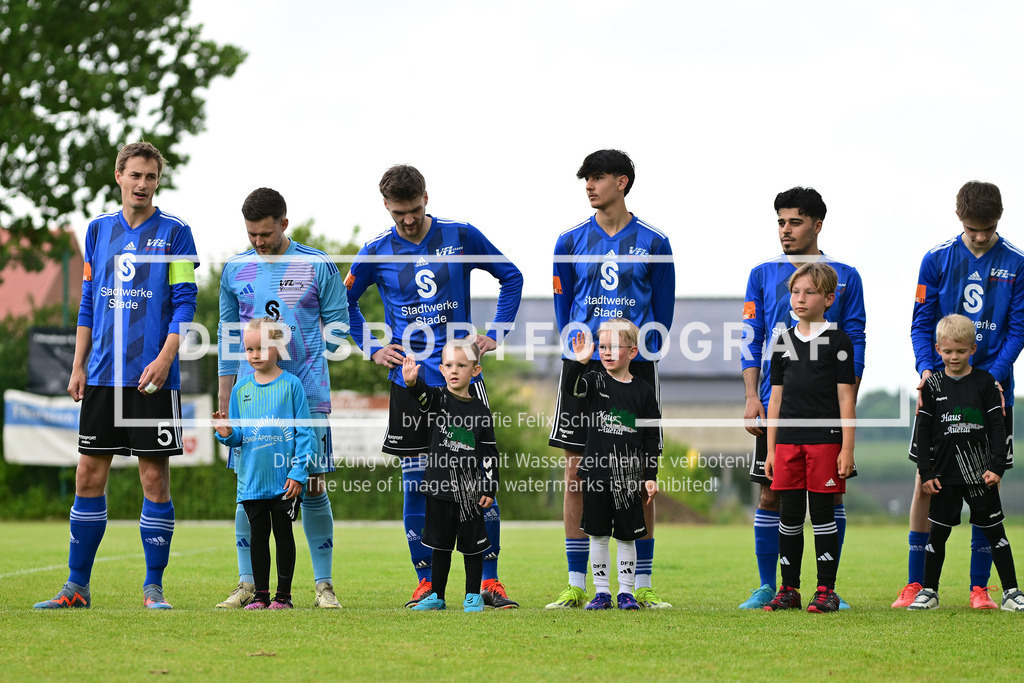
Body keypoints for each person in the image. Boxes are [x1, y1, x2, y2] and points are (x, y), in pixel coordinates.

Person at [345, 164, 523, 608]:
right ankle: (426, 581)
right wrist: (371, 346)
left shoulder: (460, 236)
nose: (408, 220)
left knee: (478, 477)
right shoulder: (374, 252)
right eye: (399, 213)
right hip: (409, 383)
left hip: (460, 379)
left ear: (427, 196)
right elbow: (341, 301)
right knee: (417, 485)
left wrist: (495, 334)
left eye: (415, 209)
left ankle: (489, 582)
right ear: (386, 205)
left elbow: (511, 276)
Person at [34, 141, 198, 610]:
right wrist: (78, 364)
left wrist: (167, 358)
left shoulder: (176, 233)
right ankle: (76, 588)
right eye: (136, 175)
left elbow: (185, 301)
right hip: (104, 375)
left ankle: (153, 589)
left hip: (152, 377)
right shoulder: (97, 231)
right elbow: (88, 301)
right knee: (88, 475)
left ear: (158, 181)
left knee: (154, 480)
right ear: (118, 176)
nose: (143, 184)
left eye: (151, 176)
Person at [547, 149, 675, 610]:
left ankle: (641, 584)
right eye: (586, 178)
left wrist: (638, 358)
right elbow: (563, 309)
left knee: (637, 471)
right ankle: (577, 582)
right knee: (577, 470)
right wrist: (580, 351)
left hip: (634, 365)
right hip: (582, 365)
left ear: (622, 182)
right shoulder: (569, 241)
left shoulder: (655, 242)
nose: (589, 186)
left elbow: (663, 313)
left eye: (597, 178)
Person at [217, 187, 349, 609]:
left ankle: (323, 586)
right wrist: (226, 399)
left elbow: (338, 331)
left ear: (284, 224)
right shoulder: (234, 270)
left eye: (266, 234)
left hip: (305, 397)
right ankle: (247, 585)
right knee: (249, 490)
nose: (258, 241)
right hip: (251, 399)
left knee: (310, 485)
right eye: (252, 234)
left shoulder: (317, 264)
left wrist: (304, 367)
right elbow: (227, 340)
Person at [895, 180, 1024, 609]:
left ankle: (980, 588)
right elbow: (921, 322)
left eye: (988, 229)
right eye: (973, 229)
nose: (981, 236)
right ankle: (917, 584)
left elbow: (1018, 329)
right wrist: (927, 371)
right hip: (941, 385)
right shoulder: (936, 259)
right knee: (926, 479)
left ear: (998, 220)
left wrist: (990, 378)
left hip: (992, 386)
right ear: (959, 219)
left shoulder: (1018, 263)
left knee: (985, 481)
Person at [738, 187, 865, 610]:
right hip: (780, 407)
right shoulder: (760, 274)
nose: (785, 230)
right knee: (772, 494)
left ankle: (828, 587)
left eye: (794, 221)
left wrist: (848, 401)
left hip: (826, 412)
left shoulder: (846, 275)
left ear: (817, 224)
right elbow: (751, 337)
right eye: (780, 222)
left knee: (830, 498)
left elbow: (856, 340)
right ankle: (768, 585)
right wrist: (751, 397)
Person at [907, 314, 1024, 612]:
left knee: (996, 533)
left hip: (979, 475)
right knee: (938, 535)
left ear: (973, 348)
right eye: (947, 351)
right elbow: (923, 431)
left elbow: (998, 428)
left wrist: (997, 466)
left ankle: (1011, 592)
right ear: (937, 349)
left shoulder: (985, 383)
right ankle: (929, 592)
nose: (954, 356)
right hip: (944, 476)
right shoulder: (931, 386)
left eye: (960, 351)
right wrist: (926, 472)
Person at [762, 263, 856, 613]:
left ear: (828, 299)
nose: (800, 299)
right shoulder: (782, 341)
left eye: (810, 292)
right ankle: (789, 589)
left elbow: (846, 398)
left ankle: (825, 590)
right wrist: (770, 450)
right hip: (786, 444)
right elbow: (775, 398)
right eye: (795, 292)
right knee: (788, 516)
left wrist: (847, 448)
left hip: (826, 443)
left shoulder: (839, 341)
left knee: (822, 516)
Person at [213, 318, 313, 610]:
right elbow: (239, 437)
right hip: (252, 480)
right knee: (258, 537)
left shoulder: (292, 385)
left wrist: (298, 472)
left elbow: (304, 433)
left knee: (283, 535)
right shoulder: (240, 389)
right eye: (249, 349)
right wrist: (227, 434)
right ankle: (261, 596)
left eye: (261, 348)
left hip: (284, 480)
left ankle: (284, 596)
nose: (254, 355)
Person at [564, 321, 659, 611]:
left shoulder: (643, 391)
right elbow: (572, 389)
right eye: (602, 346)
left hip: (628, 478)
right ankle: (602, 592)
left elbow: (651, 437)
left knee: (627, 536)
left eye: (613, 347)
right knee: (599, 534)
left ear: (632, 352)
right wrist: (578, 362)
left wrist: (650, 474)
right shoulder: (594, 380)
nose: (605, 352)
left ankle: (627, 593)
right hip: (596, 474)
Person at [402, 341, 499, 612]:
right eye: (448, 365)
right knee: (440, 546)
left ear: (475, 370)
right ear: (442, 370)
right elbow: (421, 395)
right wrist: (411, 383)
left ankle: (472, 596)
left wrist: (489, 487)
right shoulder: (438, 399)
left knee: (472, 547)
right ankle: (437, 596)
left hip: (469, 493)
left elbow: (490, 454)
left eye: (461, 365)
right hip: (438, 489)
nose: (454, 370)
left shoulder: (480, 411)